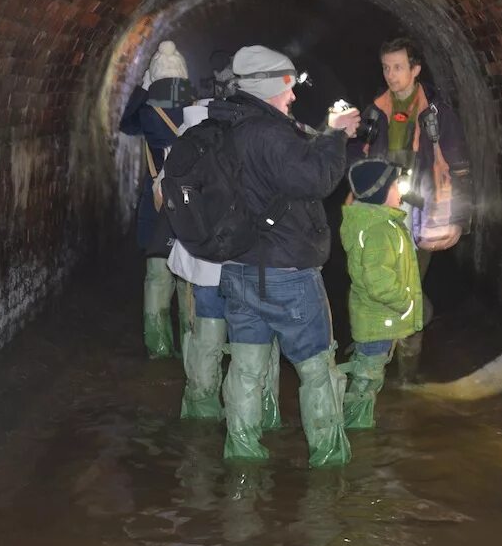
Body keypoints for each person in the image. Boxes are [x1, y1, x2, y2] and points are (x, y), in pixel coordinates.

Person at [212, 44, 360, 466]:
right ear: (272, 86)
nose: (293, 95)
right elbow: (315, 179)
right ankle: (329, 460)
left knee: (245, 367)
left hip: (239, 268)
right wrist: (335, 137)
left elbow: (282, 164)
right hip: (287, 273)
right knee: (316, 369)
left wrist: (323, 132)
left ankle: (241, 454)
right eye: (289, 86)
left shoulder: (230, 124)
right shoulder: (269, 133)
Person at [354, 37, 471, 367]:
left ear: (415, 69)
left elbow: (459, 168)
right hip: (380, 216)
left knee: (409, 288)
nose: (390, 75)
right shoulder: (375, 111)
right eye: (386, 67)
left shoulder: (438, 115)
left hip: (421, 214)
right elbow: (355, 159)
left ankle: (408, 367)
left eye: (398, 67)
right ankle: (379, 358)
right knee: (380, 285)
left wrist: (458, 219)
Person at [168, 94, 281, 428]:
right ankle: (259, 417)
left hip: (200, 264)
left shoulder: (182, 146)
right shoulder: (234, 146)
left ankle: (201, 411)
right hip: (241, 261)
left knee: (206, 335)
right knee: (254, 339)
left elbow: (167, 200)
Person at [117, 41, 191, 358]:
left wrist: (143, 89)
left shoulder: (148, 114)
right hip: (191, 207)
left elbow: (126, 124)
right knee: (190, 279)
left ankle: (158, 343)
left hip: (157, 203)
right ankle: (193, 344)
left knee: (157, 276)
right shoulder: (196, 110)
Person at [338, 158, 424, 430]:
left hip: (378, 319)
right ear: (379, 193)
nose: (401, 189)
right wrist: (405, 302)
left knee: (369, 371)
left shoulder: (381, 223)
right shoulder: (378, 230)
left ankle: (357, 420)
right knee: (367, 378)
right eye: (395, 185)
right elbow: (378, 281)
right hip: (378, 319)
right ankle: (356, 427)